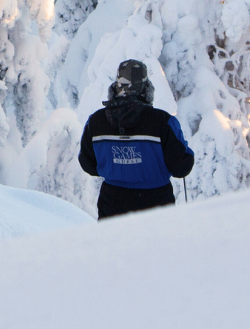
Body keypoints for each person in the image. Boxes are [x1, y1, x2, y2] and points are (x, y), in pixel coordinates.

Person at [78, 60, 194, 220]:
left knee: (114, 245)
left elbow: (88, 164)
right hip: (156, 205)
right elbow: (182, 167)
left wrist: (117, 168)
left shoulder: (96, 122)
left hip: (112, 204)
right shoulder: (163, 122)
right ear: (146, 89)